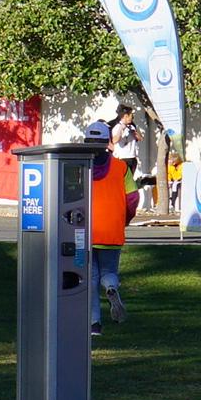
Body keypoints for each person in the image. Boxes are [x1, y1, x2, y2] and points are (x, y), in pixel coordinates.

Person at [86, 117, 137, 333]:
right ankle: (111, 288)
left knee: (90, 277)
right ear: (109, 141)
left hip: (85, 231)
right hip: (112, 231)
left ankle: (94, 324)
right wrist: (124, 219)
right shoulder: (121, 167)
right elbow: (133, 198)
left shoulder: (79, 166)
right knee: (108, 271)